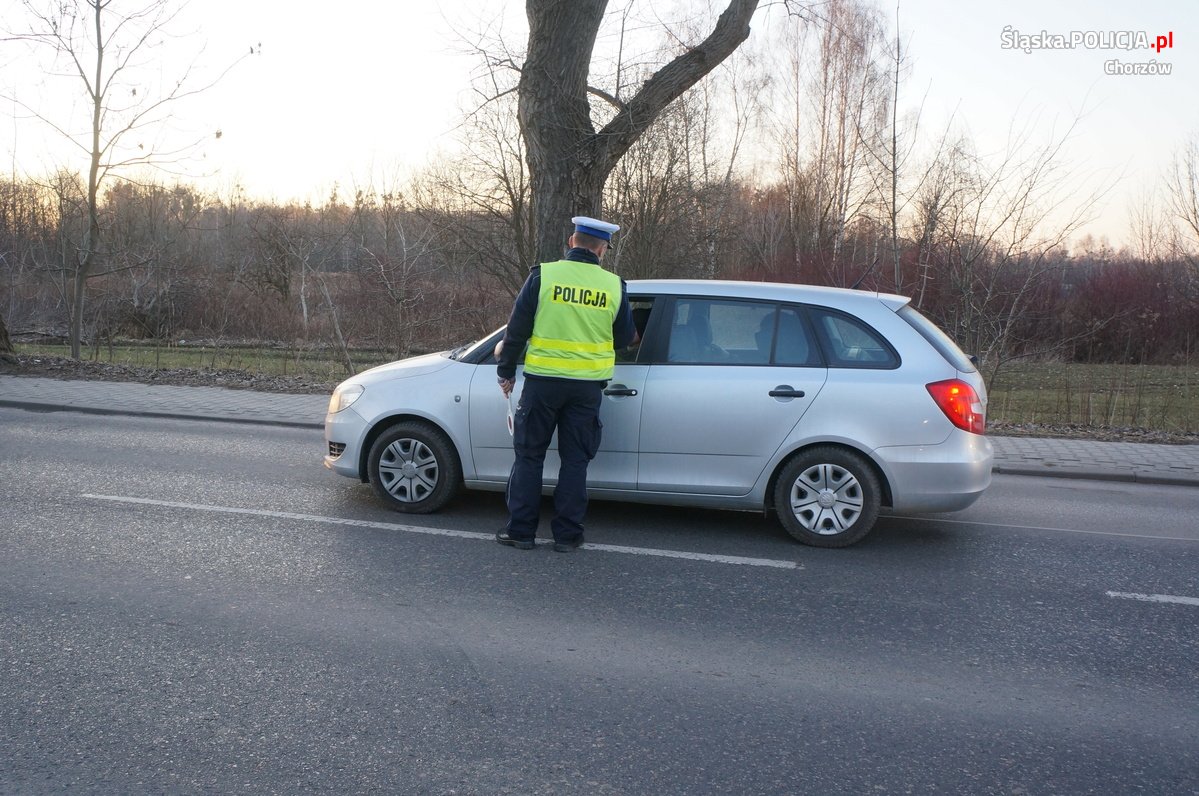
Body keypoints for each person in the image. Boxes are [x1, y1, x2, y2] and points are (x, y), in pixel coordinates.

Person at [495, 216, 637, 552]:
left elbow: (516, 330)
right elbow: (624, 338)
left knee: (529, 458)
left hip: (542, 385)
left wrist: (506, 371)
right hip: (586, 389)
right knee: (575, 461)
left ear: (572, 242)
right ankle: (568, 536)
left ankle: (521, 533)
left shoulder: (543, 276)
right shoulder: (614, 286)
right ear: (602, 249)